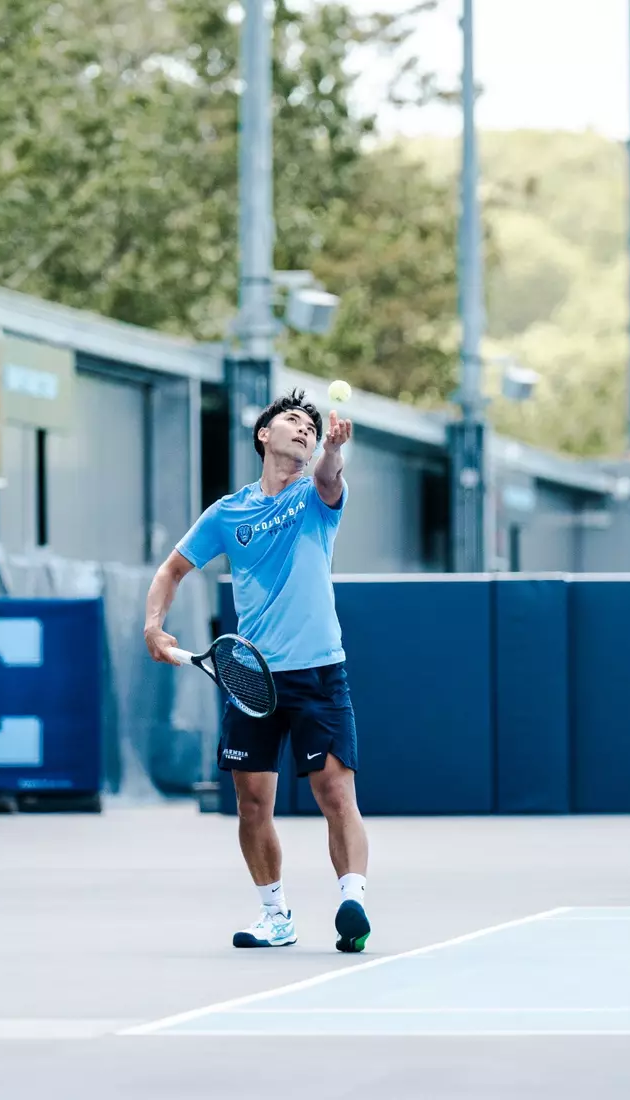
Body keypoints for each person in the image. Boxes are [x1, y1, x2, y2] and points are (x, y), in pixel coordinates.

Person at [142, 390, 371, 954]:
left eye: (312, 428)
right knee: (251, 803)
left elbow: (330, 476)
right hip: (253, 678)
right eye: (291, 421)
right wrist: (153, 624)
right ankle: (276, 916)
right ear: (263, 436)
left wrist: (335, 451)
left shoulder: (317, 496)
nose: (304, 430)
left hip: (320, 674)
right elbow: (172, 569)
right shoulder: (227, 514)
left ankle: (354, 901)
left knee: (335, 793)